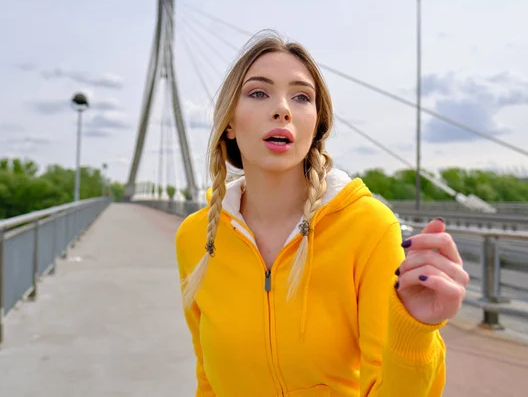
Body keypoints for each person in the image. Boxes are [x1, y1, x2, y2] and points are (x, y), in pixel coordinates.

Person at [175, 30, 469, 397]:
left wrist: (416, 330)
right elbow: (208, 379)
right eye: (258, 92)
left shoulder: (369, 228)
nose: (282, 108)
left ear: (315, 126)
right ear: (229, 123)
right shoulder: (196, 237)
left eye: (301, 97)